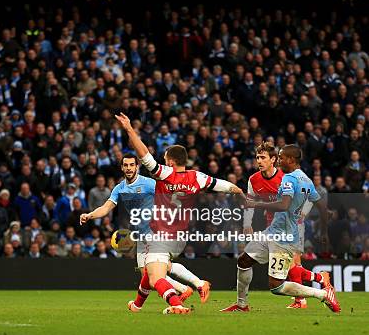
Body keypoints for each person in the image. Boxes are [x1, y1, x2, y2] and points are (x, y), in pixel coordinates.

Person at [115, 113, 244, 314]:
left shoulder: (166, 174)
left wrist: (129, 129)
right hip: (181, 238)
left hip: (160, 235)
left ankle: (177, 305)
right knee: (152, 271)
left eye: (166, 160)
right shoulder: (198, 177)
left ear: (172, 162)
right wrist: (240, 192)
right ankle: (138, 305)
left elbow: (143, 155)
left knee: (156, 277)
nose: (164, 163)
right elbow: (224, 186)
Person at [221, 145, 340, 313]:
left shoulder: (288, 179)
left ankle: (321, 294)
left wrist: (257, 204)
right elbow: (322, 206)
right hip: (271, 230)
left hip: (286, 235)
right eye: (258, 158)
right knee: (244, 261)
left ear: (281, 160)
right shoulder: (304, 179)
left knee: (278, 284)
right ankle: (242, 305)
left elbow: (284, 205)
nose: (260, 161)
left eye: (280, 158)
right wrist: (324, 232)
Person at [80, 153, 196, 312]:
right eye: (125, 165)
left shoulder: (148, 183)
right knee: (148, 274)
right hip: (141, 235)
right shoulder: (119, 188)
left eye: (131, 165)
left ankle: (178, 302)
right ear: (122, 168)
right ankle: (183, 289)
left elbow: (168, 193)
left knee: (154, 274)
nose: (128, 168)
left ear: (137, 167)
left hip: (156, 233)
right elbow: (106, 207)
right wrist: (90, 215)